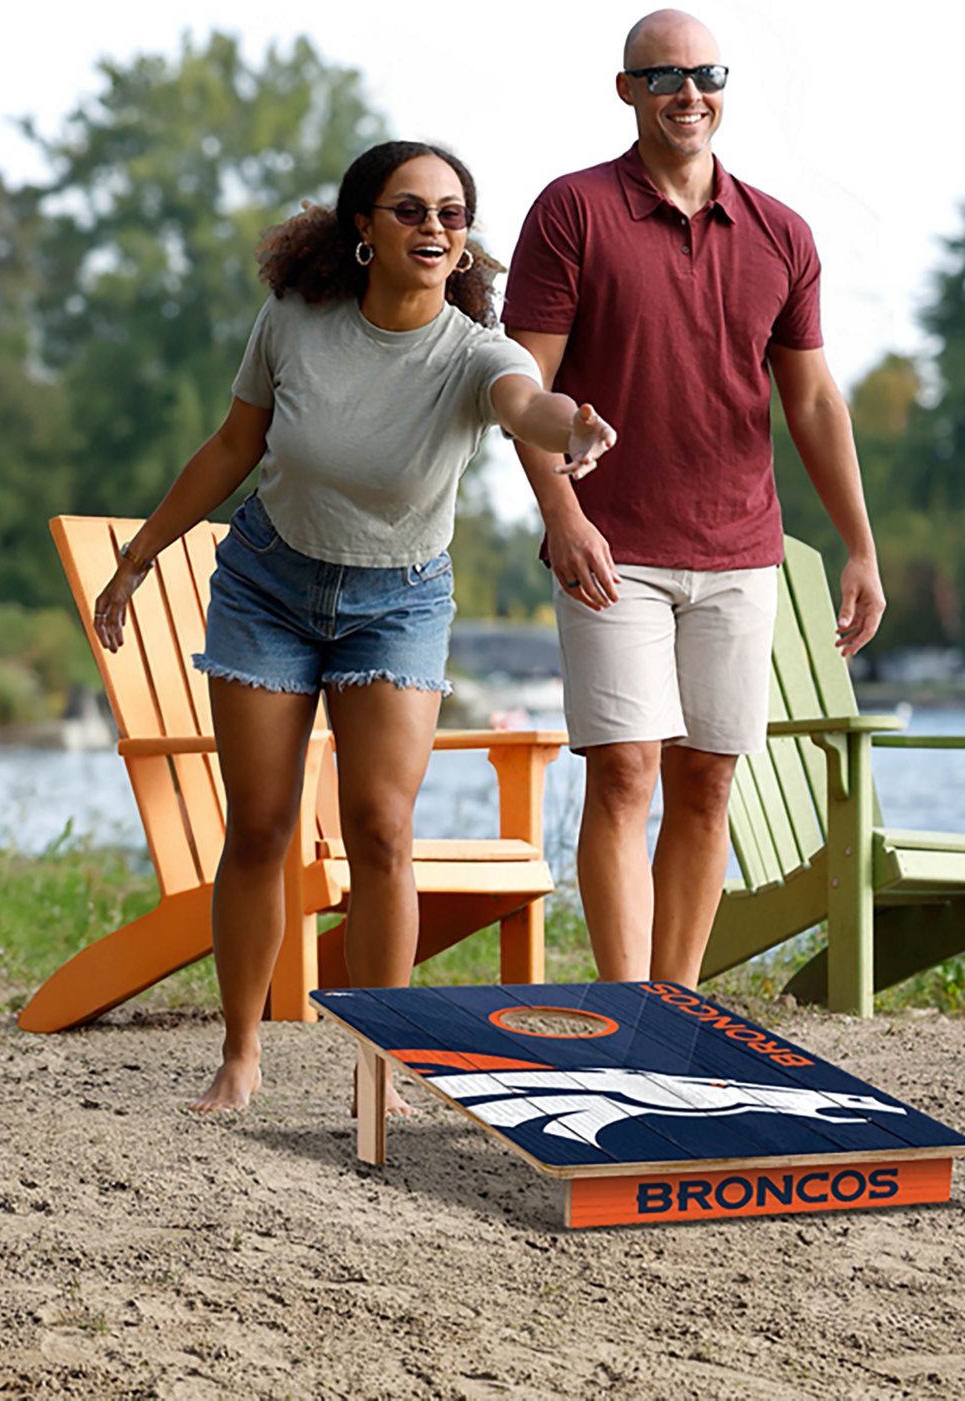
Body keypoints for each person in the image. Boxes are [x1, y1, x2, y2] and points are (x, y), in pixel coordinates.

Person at [91, 141, 617, 1113]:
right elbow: (234, 445)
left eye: (451, 213)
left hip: (399, 602)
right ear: (364, 228)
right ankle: (240, 1053)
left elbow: (525, 405)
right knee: (260, 825)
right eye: (410, 209)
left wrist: (571, 429)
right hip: (269, 587)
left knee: (381, 829)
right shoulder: (295, 320)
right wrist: (141, 554)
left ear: (465, 241)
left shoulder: (476, 352)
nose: (433, 227)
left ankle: (381, 1064)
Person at [502, 10, 885, 987]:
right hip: (611, 546)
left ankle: (671, 1009)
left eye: (706, 74)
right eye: (665, 76)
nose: (688, 93)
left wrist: (860, 546)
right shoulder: (572, 211)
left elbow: (812, 400)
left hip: (740, 551)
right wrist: (563, 517)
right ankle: (626, 1003)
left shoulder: (781, 233)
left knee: (708, 781)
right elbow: (521, 387)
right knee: (625, 769)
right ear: (626, 90)